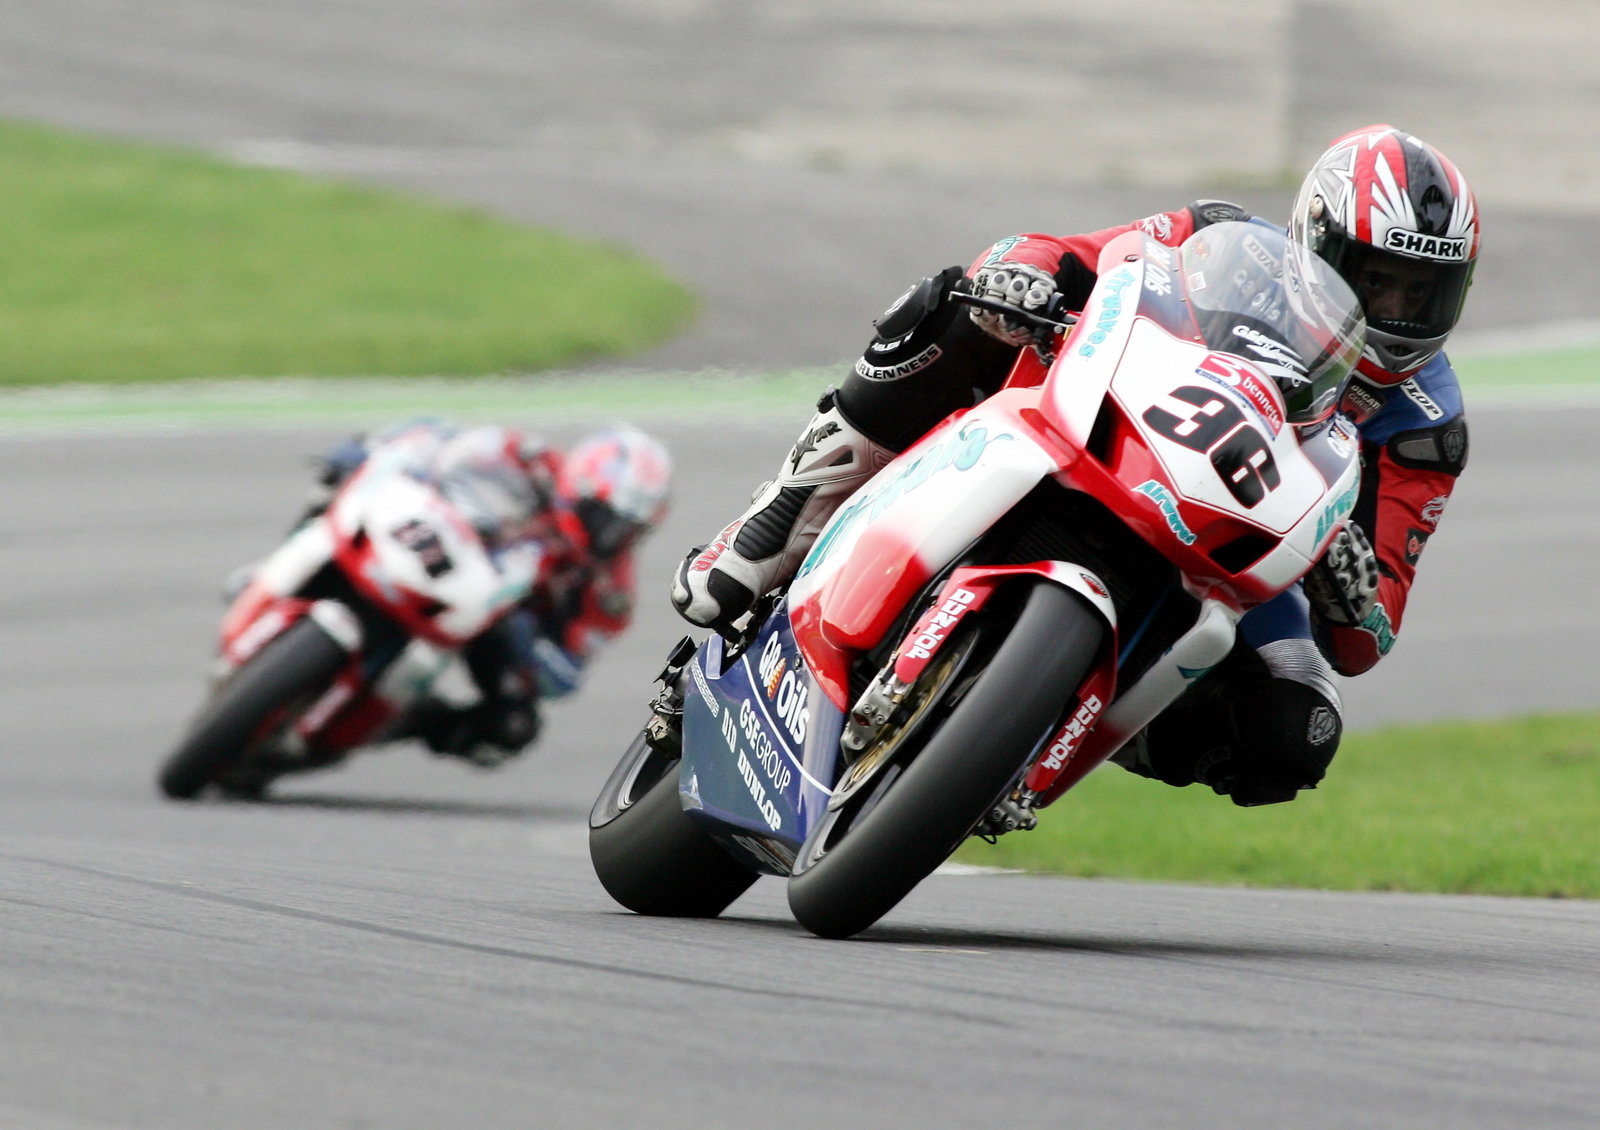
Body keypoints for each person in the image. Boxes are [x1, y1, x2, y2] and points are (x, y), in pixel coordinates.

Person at [671, 123, 1476, 807]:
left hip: (1229, 542)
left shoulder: (1424, 426)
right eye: (1377, 281)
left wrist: (1354, 587)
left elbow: (1368, 639)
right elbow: (1070, 253)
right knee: (953, 306)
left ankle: (1045, 723)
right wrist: (1023, 272)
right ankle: (780, 514)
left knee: (1296, 729)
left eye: (1424, 291)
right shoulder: (1222, 239)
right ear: (1320, 240)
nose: (1397, 313)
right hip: (1094, 425)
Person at [310, 418, 673, 768]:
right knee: (343, 483)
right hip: (436, 545)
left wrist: (528, 643)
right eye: (602, 515)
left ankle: (401, 721)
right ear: (578, 483)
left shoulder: (611, 593)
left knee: (511, 729)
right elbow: (437, 441)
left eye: (625, 530)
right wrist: (376, 450)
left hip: (488, 625)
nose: (608, 536)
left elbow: (566, 676)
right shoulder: (524, 456)